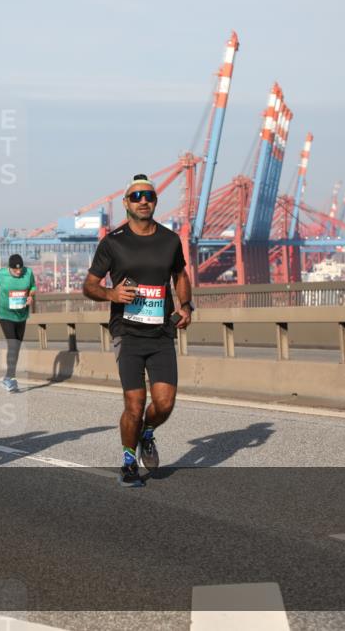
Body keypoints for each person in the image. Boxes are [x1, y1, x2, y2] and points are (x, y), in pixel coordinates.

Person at [82, 174, 193, 488]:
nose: (144, 200)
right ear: (126, 203)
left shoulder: (170, 240)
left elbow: (180, 275)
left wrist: (186, 306)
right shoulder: (113, 242)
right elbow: (89, 286)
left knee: (164, 404)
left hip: (160, 334)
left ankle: (147, 432)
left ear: (155, 202)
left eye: (149, 196)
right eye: (136, 196)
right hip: (127, 333)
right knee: (134, 404)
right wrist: (111, 295)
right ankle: (129, 461)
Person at [0, 254, 36, 392]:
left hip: (21, 315)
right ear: (9, 268)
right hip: (5, 314)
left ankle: (8, 377)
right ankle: (11, 378)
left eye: (20, 269)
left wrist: (30, 296)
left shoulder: (29, 273)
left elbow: (33, 287)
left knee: (17, 345)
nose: (19, 272)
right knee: (13, 343)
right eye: (15, 270)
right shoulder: (1, 274)